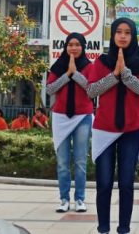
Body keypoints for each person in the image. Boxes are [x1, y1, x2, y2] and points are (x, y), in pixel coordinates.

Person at [87, 19, 139, 234]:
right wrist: (114, 75)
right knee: (104, 182)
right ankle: (103, 228)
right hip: (104, 129)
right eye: (118, 32)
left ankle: (124, 228)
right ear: (113, 36)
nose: (123, 36)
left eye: (127, 32)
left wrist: (125, 74)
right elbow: (91, 90)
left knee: (126, 183)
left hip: (131, 131)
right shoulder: (102, 62)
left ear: (133, 36)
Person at [46, 32, 94, 213]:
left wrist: (76, 74)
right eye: (70, 44)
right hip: (60, 117)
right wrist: (67, 74)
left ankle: (80, 199)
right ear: (65, 47)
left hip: (82, 117)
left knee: (81, 161)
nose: (73, 48)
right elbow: (50, 89)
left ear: (83, 47)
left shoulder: (90, 67)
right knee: (62, 162)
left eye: (77, 44)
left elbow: (92, 90)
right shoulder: (57, 66)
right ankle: (64, 199)